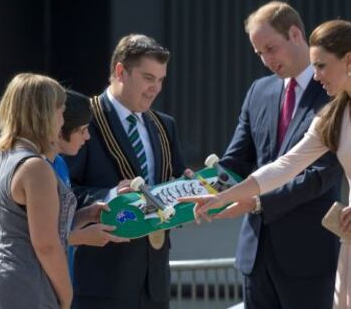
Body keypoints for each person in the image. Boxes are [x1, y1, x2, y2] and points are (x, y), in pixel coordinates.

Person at [181, 19, 351, 309]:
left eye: (321, 66)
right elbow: (284, 166)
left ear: (348, 60)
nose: (317, 76)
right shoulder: (333, 115)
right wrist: (220, 197)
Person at [64, 34, 186, 309]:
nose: (155, 88)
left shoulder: (164, 125)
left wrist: (191, 189)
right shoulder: (84, 120)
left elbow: (176, 181)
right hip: (100, 281)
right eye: (147, 77)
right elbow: (62, 191)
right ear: (120, 71)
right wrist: (109, 195)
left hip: (154, 281)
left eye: (160, 79)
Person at [0, 73, 73, 309]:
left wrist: (87, 215)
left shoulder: (2, 158)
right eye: (60, 110)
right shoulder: (35, 167)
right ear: (44, 113)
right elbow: (46, 244)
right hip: (24, 285)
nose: (62, 119)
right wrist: (66, 296)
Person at [50, 90, 129, 283]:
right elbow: (35, 237)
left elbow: (57, 227)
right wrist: (82, 237)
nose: (87, 137)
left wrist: (87, 215)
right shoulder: (34, 166)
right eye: (82, 130)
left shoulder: (59, 163)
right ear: (61, 128)